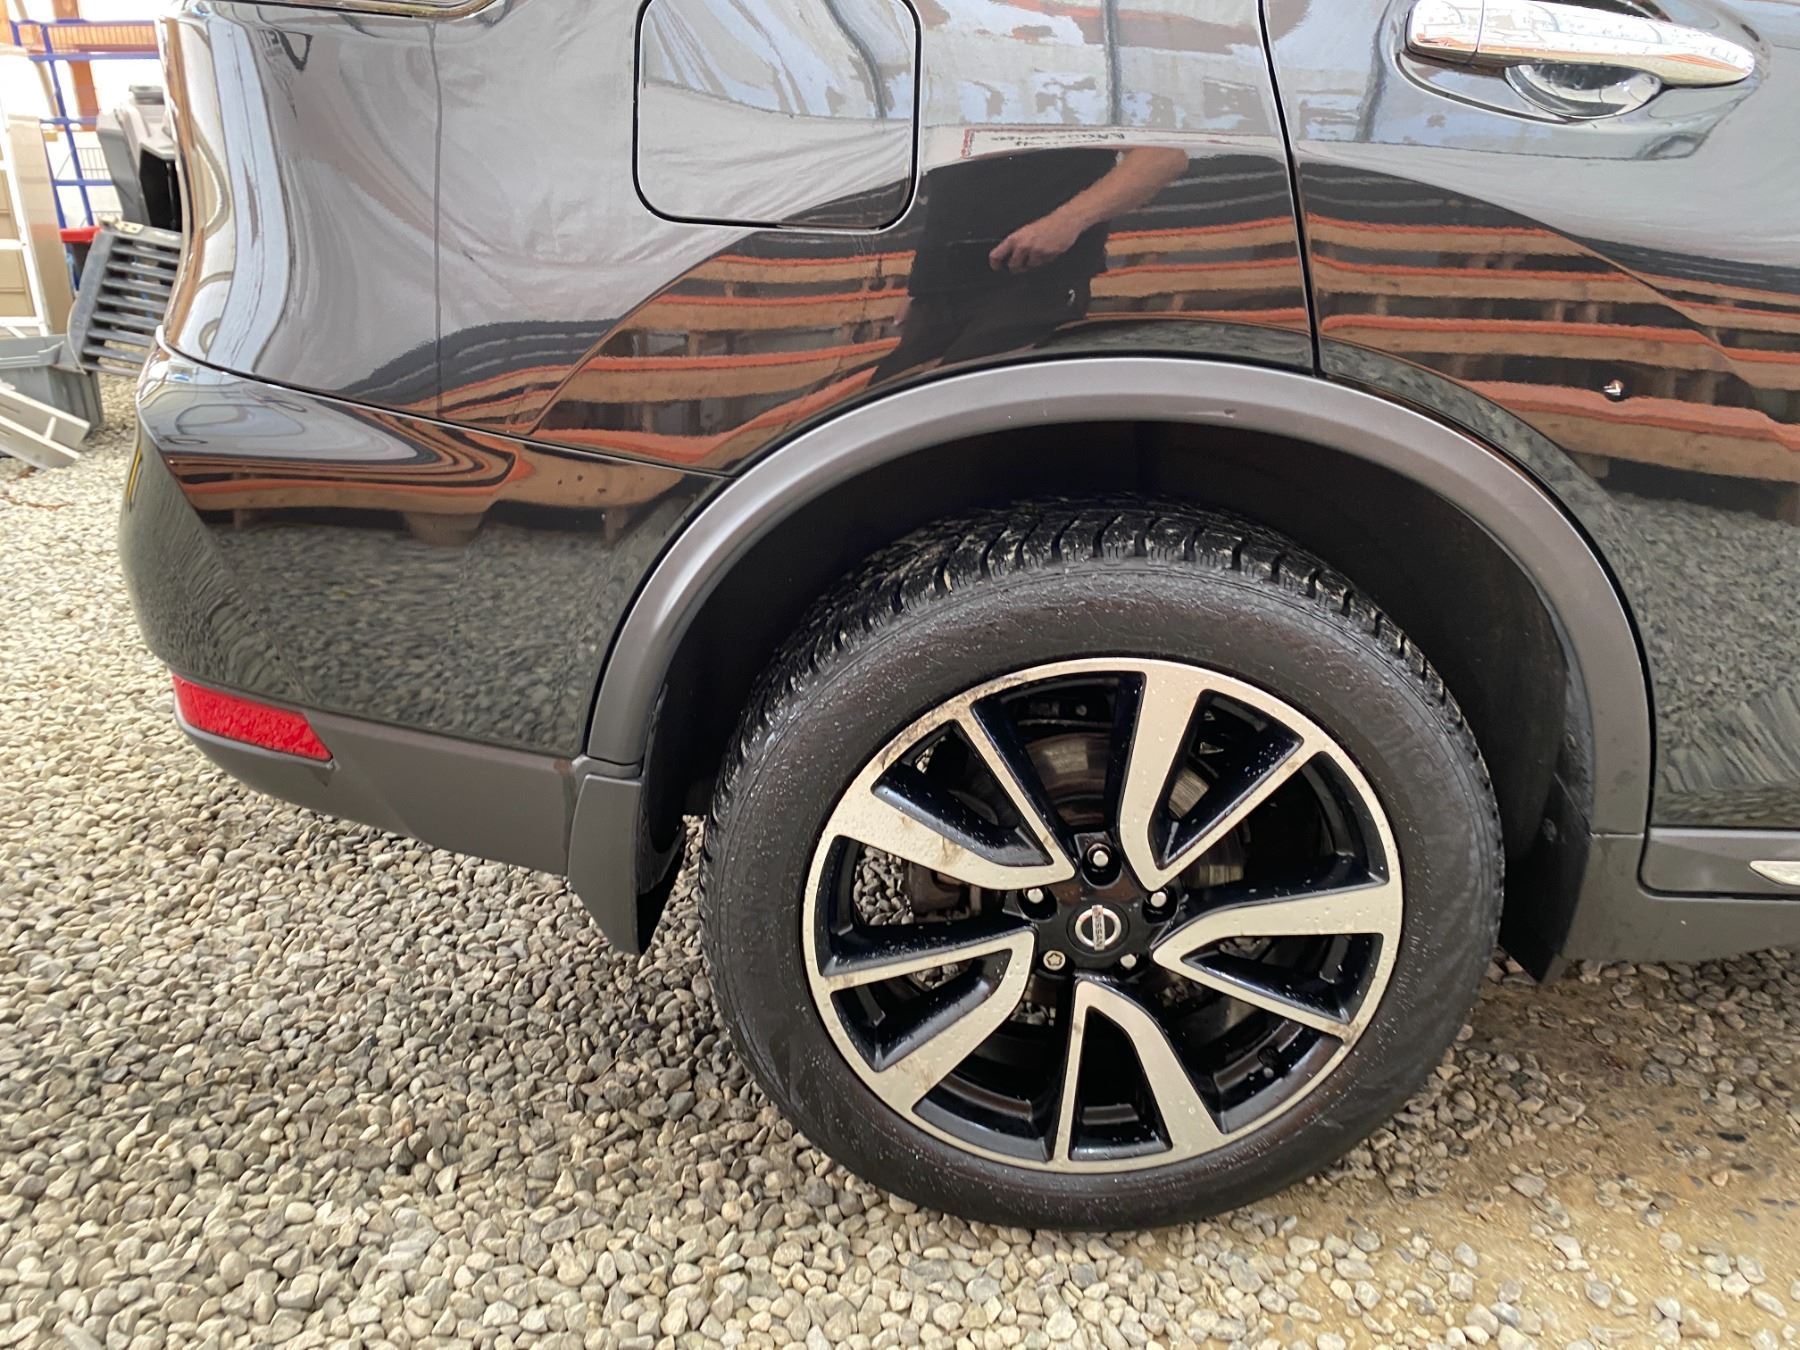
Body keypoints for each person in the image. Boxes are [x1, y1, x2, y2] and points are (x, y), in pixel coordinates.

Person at [874, 144, 1190, 379]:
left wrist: (1066, 221)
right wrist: (923, 283)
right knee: (885, 411)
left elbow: (1163, 154)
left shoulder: (1074, 83)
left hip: (1034, 285)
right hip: (940, 293)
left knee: (944, 414)